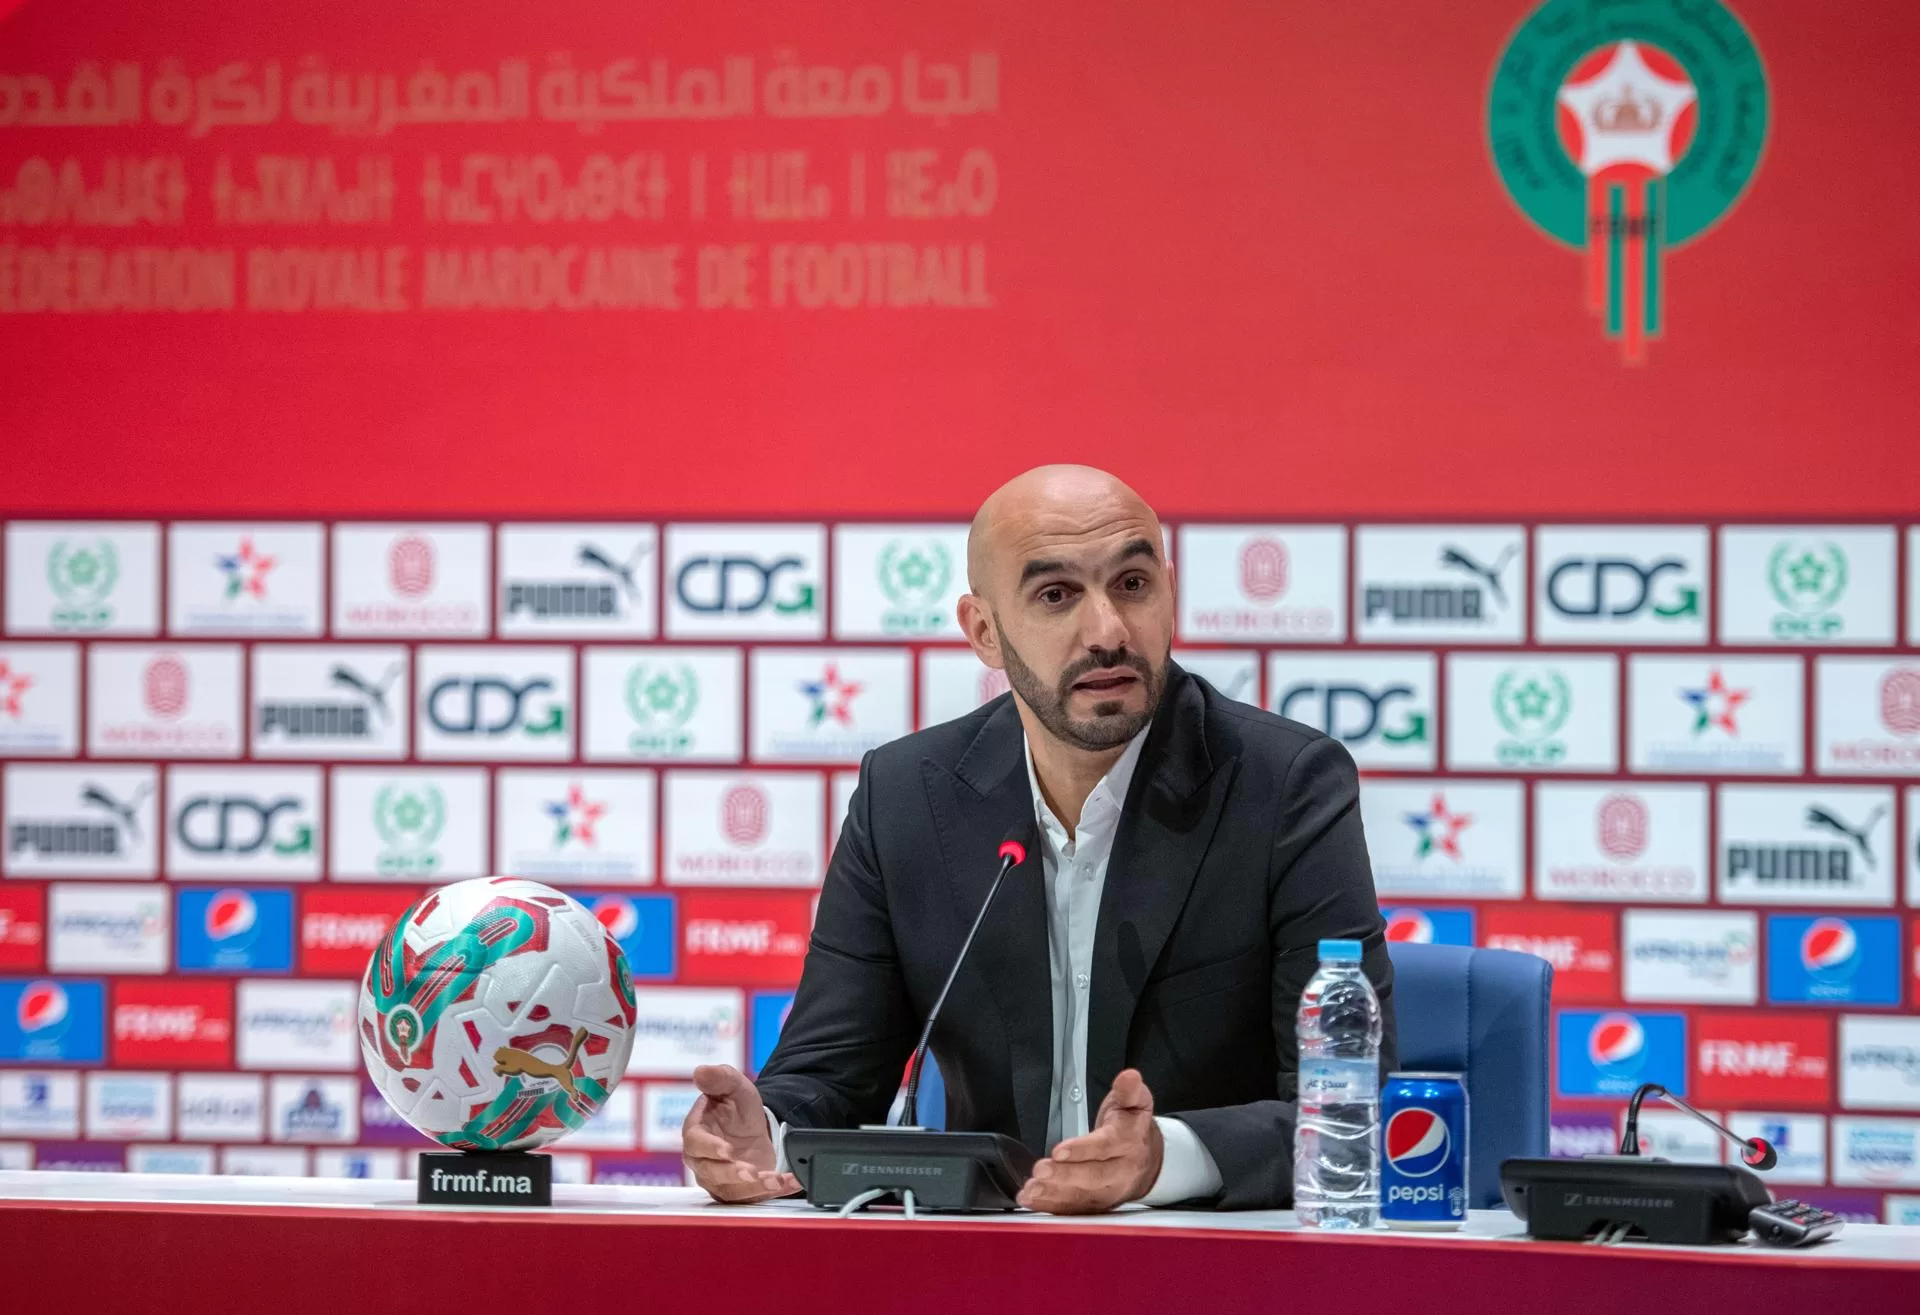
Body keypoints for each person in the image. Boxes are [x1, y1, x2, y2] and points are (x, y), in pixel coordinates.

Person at [680, 464, 1395, 1212]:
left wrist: (1163, 1160)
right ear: (984, 631)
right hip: (986, 1265)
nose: (1108, 632)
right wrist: (765, 1130)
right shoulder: (906, 798)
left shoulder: (1283, 786)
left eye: (1132, 584)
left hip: (1209, 1265)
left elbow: (1349, 1109)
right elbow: (828, 1074)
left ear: (1170, 594)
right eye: (1056, 595)